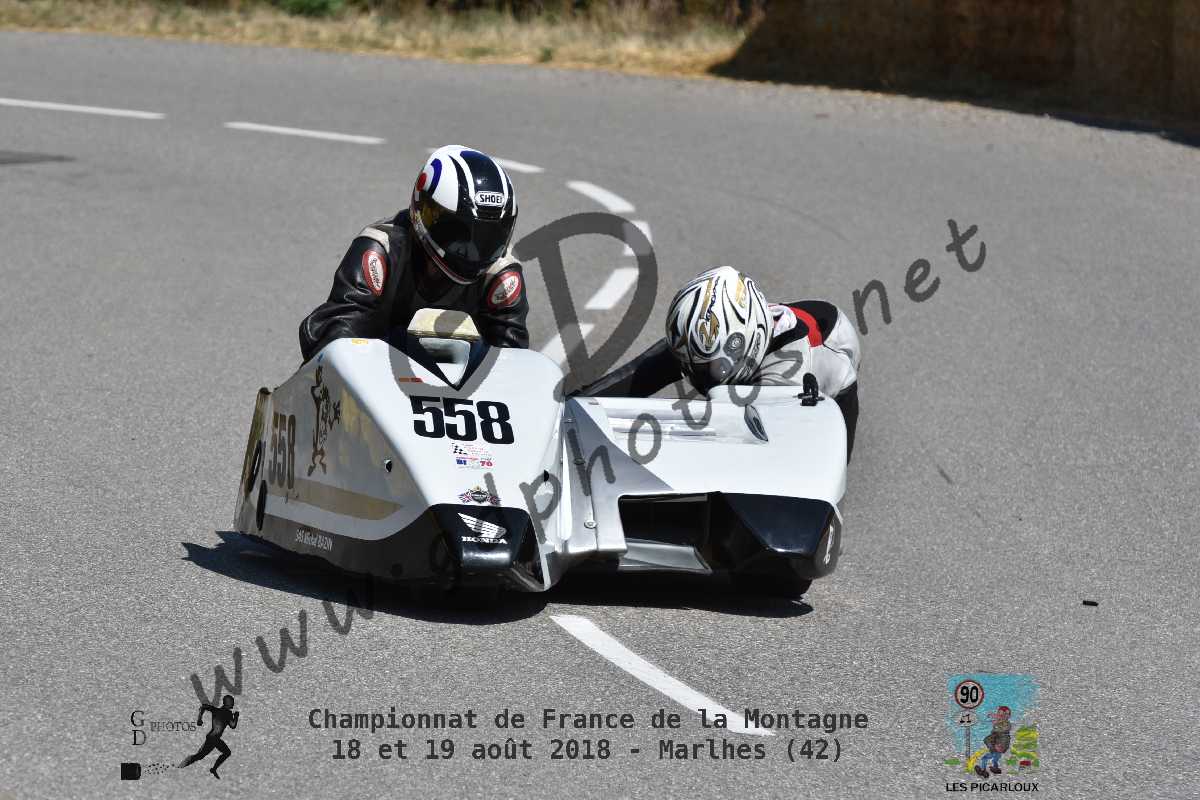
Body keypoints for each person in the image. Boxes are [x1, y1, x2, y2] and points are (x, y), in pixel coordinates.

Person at [577, 266, 861, 458]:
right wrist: (573, 408)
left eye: (708, 369)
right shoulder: (707, 345)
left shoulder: (786, 376)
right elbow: (638, 375)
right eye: (692, 366)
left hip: (838, 372)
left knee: (815, 468)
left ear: (745, 346)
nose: (698, 379)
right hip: (769, 326)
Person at [299, 145, 529, 362]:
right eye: (458, 232)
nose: (474, 252)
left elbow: (512, 358)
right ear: (425, 213)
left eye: (490, 237)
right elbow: (339, 331)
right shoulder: (382, 249)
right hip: (374, 370)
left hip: (466, 382)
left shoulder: (501, 274)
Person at [178, 695, 239, 779]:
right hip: (213, 739)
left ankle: (213, 769)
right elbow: (233, 725)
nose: (233, 703)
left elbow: (203, 706)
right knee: (199, 756)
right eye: (232, 702)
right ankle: (181, 766)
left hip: (213, 738)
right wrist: (236, 716)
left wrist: (199, 718)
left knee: (225, 753)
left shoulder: (216, 710)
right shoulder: (228, 713)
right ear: (227, 703)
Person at [975, 705, 1012, 778]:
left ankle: (983, 770)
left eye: (1005, 714)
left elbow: (1000, 729)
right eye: (1000, 714)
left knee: (985, 758)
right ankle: (995, 767)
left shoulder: (1005, 726)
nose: (1001, 716)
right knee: (996, 758)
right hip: (1000, 746)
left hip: (998, 746)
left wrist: (996, 722)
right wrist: (994, 719)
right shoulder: (1002, 725)